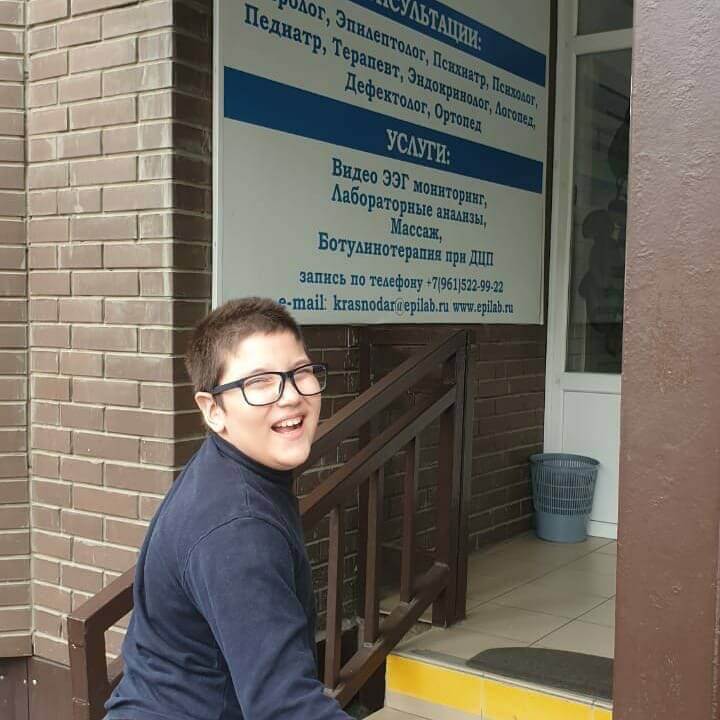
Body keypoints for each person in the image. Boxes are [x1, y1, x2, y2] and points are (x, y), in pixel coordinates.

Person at [105, 298, 351, 720]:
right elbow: (285, 707)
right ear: (213, 410)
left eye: (300, 372)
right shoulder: (238, 529)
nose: (291, 396)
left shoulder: (232, 471)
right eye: (260, 382)